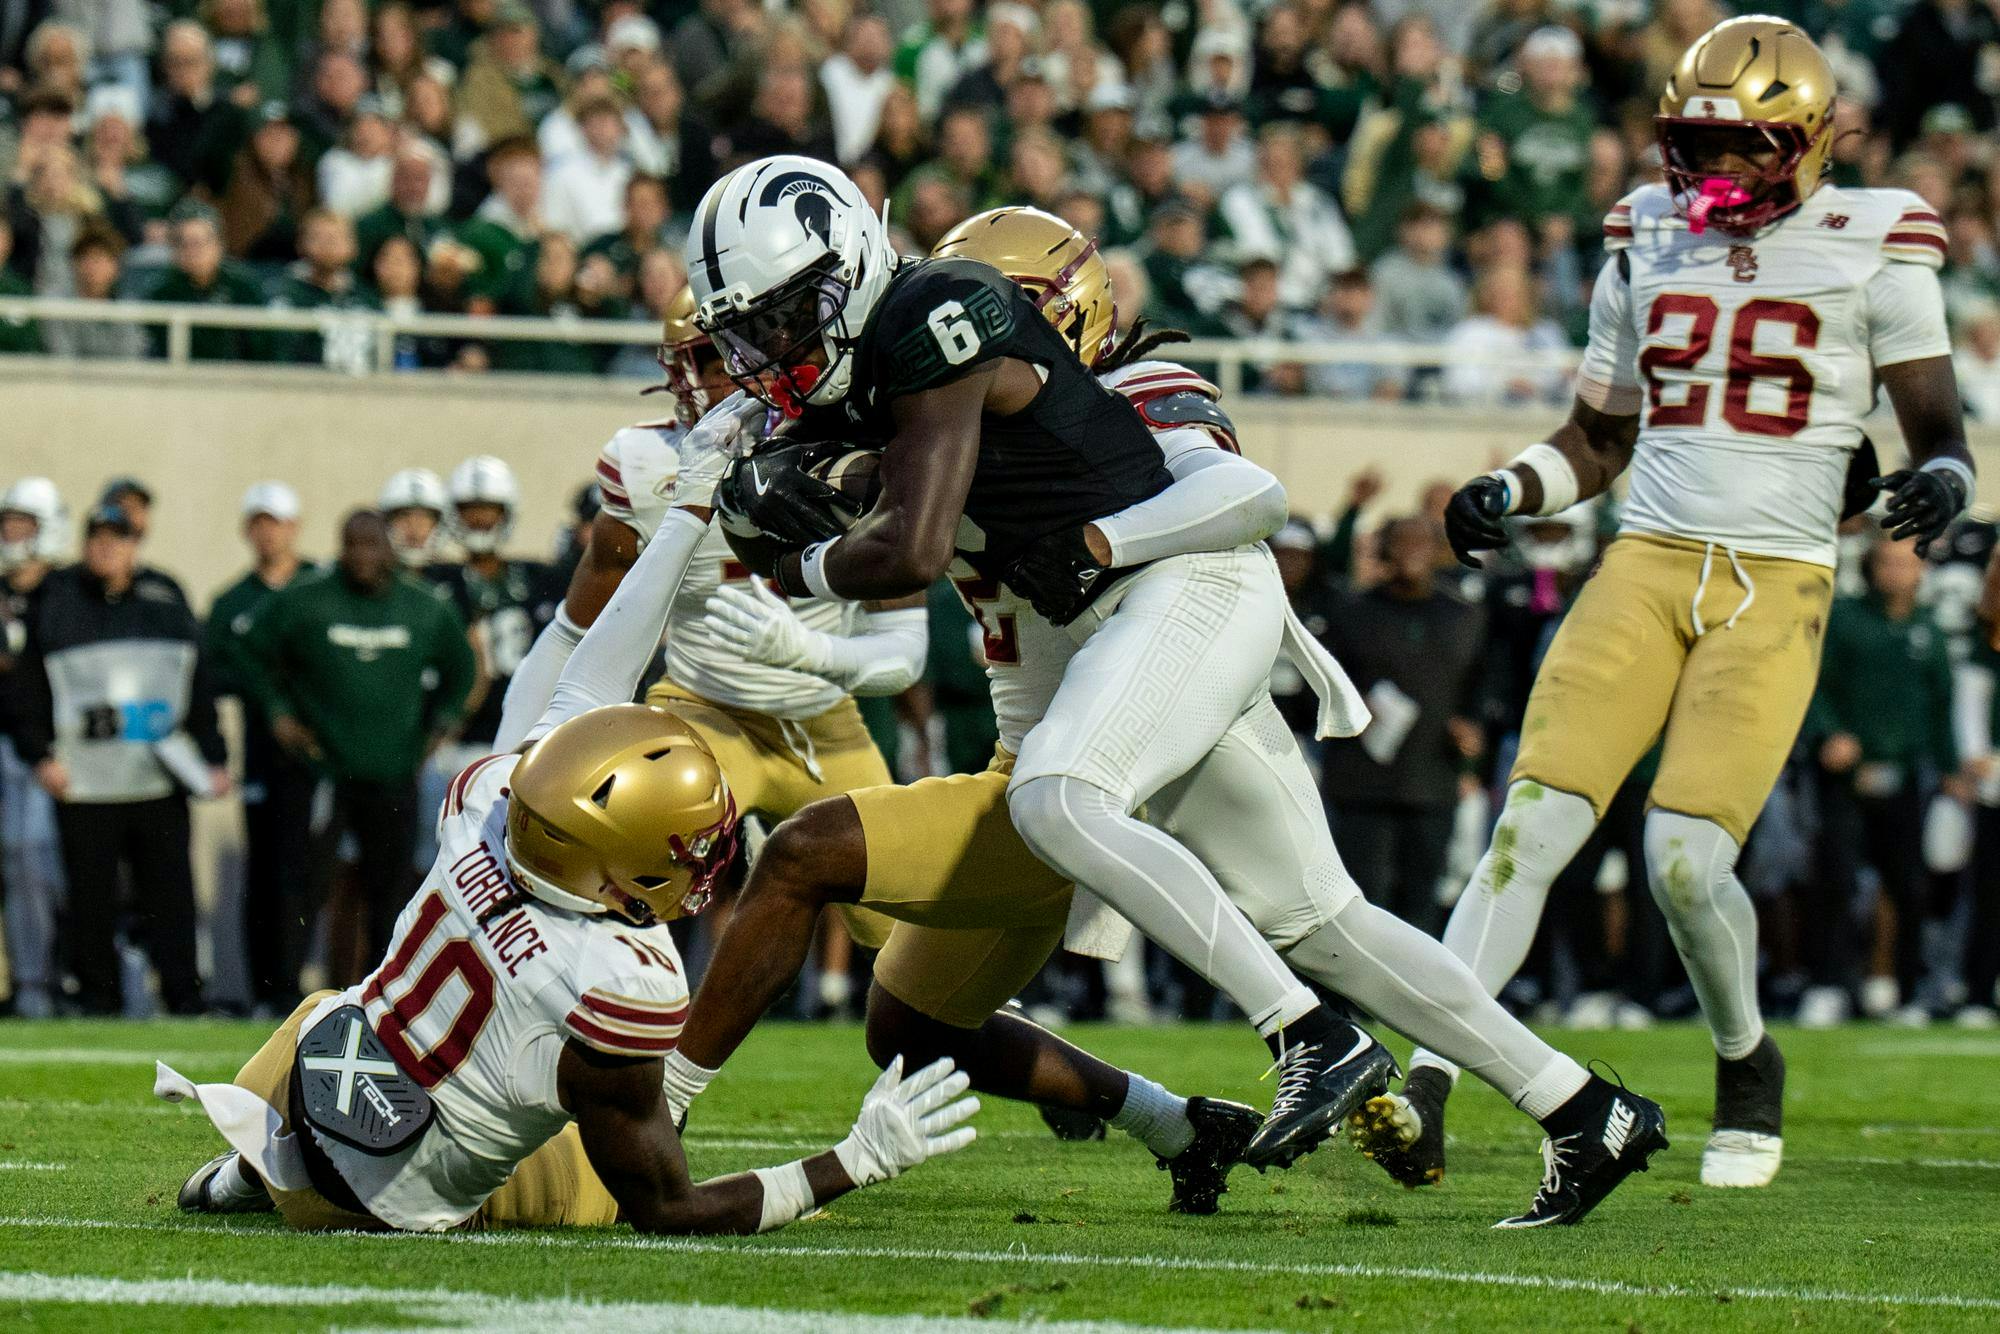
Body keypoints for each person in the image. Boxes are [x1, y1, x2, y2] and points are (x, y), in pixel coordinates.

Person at [683, 192, 1666, 1225]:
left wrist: (1100, 545)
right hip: (1113, 669)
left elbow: (1246, 496)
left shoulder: (1123, 388)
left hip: (1177, 613)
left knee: (1065, 798)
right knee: (1321, 921)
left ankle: (1306, 1037)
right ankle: (1579, 1103)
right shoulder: (917, 412)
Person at [165, 425, 978, 1233]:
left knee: (329, 1005)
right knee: (596, 1185)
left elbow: (586, 659)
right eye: (683, 845)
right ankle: (272, 1178)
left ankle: (245, 1174)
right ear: (624, 863)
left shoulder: (488, 801)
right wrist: (854, 1159)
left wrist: (689, 508)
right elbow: (672, 1208)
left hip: (296, 1084)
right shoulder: (621, 978)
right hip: (389, 1207)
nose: (697, 862)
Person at [1422, 17, 1973, 1192]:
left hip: (1775, 577)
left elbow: (1939, 437)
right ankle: (1423, 1075)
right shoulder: (1643, 232)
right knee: (1529, 828)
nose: (1710, 171)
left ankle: (1743, 1055)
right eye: (1694, 142)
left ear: (1807, 139)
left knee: (1680, 857)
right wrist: (1509, 485)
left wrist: (1938, 483)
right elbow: (1597, 436)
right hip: (1645, 557)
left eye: (1739, 145)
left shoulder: (1875, 238)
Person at [492, 286, 929, 1013]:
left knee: (904, 918)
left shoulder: (859, 444)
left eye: (718, 356)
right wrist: (505, 762)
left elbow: (906, 651)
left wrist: (812, 654)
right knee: (614, 852)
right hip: (702, 711)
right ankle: (560, 1019)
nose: (704, 381)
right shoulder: (642, 461)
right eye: (688, 360)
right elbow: (573, 628)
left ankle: (998, 1046)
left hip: (827, 719)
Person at [8, 503, 229, 1016]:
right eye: (98, 537)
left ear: (135, 545)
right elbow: (28, 692)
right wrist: (39, 755)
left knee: (170, 894)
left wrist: (212, 757)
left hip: (156, 779)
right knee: (91, 900)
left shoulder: (166, 606)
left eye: (118, 538)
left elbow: (197, 689)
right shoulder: (57, 607)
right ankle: (98, 997)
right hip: (85, 781)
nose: (107, 547)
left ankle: (182, 995)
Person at [236, 510, 476, 976]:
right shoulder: (308, 599)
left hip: (394, 771)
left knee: (390, 888)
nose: (363, 556)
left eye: (372, 544)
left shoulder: (423, 605)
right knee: (305, 882)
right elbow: (246, 650)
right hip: (323, 770)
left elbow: (464, 667)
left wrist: (444, 724)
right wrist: (277, 711)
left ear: (387, 547)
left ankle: (381, 986)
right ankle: (286, 986)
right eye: (353, 545)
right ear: (339, 548)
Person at [1805, 533, 1963, 1024]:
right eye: (1887, 562)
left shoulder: (1928, 628)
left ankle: (1907, 989)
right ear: (1872, 566)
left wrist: (1952, 768)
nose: (1896, 572)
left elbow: (1942, 706)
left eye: (1906, 563)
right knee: (1835, 878)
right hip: (1847, 774)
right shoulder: (1846, 619)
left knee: (1910, 885)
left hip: (1906, 773)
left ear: (1922, 571)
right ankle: (1829, 985)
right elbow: (1813, 685)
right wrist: (1829, 735)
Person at [1321, 516, 1488, 935]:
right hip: (1363, 784)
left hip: (1432, 780)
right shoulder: (1351, 614)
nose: (1411, 553)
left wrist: (1472, 728)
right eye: (1400, 543)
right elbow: (1318, 687)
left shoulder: (1464, 617)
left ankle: (1417, 994)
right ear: (1383, 552)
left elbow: (1483, 688)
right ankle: (1362, 996)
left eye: (1421, 543)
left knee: (1422, 899)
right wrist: (1354, 707)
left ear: (1437, 552)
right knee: (1366, 896)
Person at [205, 482, 318, 1013]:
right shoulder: (233, 601)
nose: (268, 532)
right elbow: (217, 671)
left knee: (313, 869)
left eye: (276, 521)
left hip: (322, 755)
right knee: (265, 867)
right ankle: (266, 987)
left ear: (294, 527)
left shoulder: (323, 588)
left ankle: (308, 981)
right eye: (259, 521)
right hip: (263, 752)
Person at [0, 478, 67, 1017]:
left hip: (43, 751)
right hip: (11, 745)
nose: (13, 534)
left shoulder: (66, 593)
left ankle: (41, 982)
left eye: (24, 523)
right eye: (8, 523)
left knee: (36, 865)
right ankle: (27, 982)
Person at [378, 468, 449, 569]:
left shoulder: (456, 579)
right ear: (388, 521)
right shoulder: (372, 577)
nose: (414, 529)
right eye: (404, 516)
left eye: (423, 519)